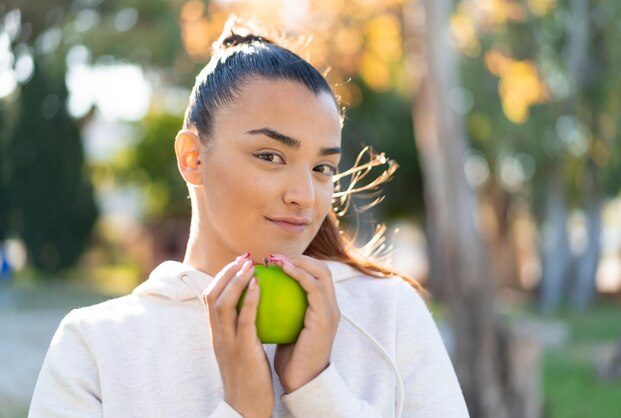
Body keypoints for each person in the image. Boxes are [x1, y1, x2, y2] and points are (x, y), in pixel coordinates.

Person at [29, 17, 469, 418]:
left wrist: (319, 393)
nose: (304, 196)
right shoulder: (95, 348)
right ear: (192, 158)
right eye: (270, 156)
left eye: (322, 168)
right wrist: (241, 410)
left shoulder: (388, 314)